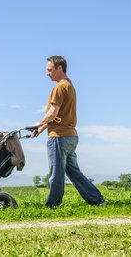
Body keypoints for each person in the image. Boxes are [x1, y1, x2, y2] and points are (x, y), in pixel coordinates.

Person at [31, 55, 106, 208]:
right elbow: (58, 116)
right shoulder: (69, 86)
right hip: (70, 136)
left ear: (60, 68)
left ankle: (52, 206)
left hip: (59, 137)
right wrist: (41, 128)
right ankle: (98, 201)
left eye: (50, 70)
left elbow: (52, 113)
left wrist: (39, 123)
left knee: (56, 175)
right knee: (74, 173)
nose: (47, 73)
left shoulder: (59, 87)